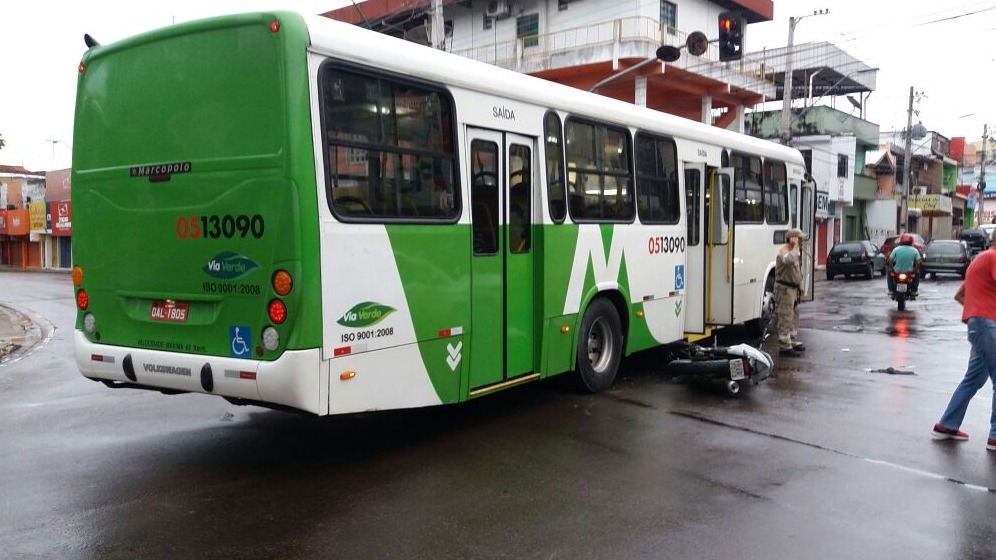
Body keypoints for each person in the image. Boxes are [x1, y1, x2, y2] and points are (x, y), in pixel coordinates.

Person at [932, 240, 996, 451]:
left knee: (973, 379)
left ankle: (947, 425)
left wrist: (976, 310)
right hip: (988, 325)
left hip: (977, 326)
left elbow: (960, 295)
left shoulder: (979, 261)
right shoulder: (993, 258)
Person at [775, 228, 807, 357]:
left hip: (792, 290)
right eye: (799, 238)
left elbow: (796, 271)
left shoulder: (794, 252)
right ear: (793, 239)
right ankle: (784, 347)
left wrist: (800, 286)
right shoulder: (784, 252)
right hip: (784, 290)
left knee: (794, 316)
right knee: (785, 317)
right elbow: (788, 261)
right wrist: (795, 247)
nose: (801, 241)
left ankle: (792, 340)